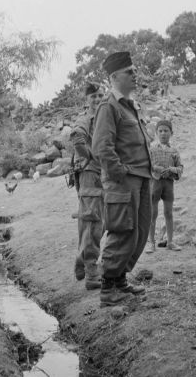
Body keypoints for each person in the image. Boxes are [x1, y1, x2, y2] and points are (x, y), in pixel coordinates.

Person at [92, 51, 152, 307]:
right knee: (122, 231)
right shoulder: (109, 107)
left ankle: (120, 281)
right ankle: (108, 288)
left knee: (138, 232)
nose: (134, 74)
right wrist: (119, 173)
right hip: (124, 180)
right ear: (115, 77)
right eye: (129, 71)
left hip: (141, 177)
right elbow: (101, 147)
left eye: (134, 70)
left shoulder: (130, 105)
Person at [70, 82, 106, 290]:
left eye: (100, 95)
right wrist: (94, 158)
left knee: (104, 222)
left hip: (106, 177)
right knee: (92, 223)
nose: (97, 99)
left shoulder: (106, 118)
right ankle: (92, 272)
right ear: (87, 99)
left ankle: (81, 257)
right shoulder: (85, 119)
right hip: (90, 175)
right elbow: (77, 141)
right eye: (93, 96)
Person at [145, 119, 184, 253]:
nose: (163, 134)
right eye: (160, 131)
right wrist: (156, 168)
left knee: (168, 213)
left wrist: (172, 170)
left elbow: (180, 167)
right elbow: (147, 166)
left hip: (168, 184)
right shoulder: (151, 149)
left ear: (171, 133)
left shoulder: (174, 151)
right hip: (154, 184)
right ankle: (151, 243)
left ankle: (170, 242)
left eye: (166, 131)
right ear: (156, 133)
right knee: (152, 214)